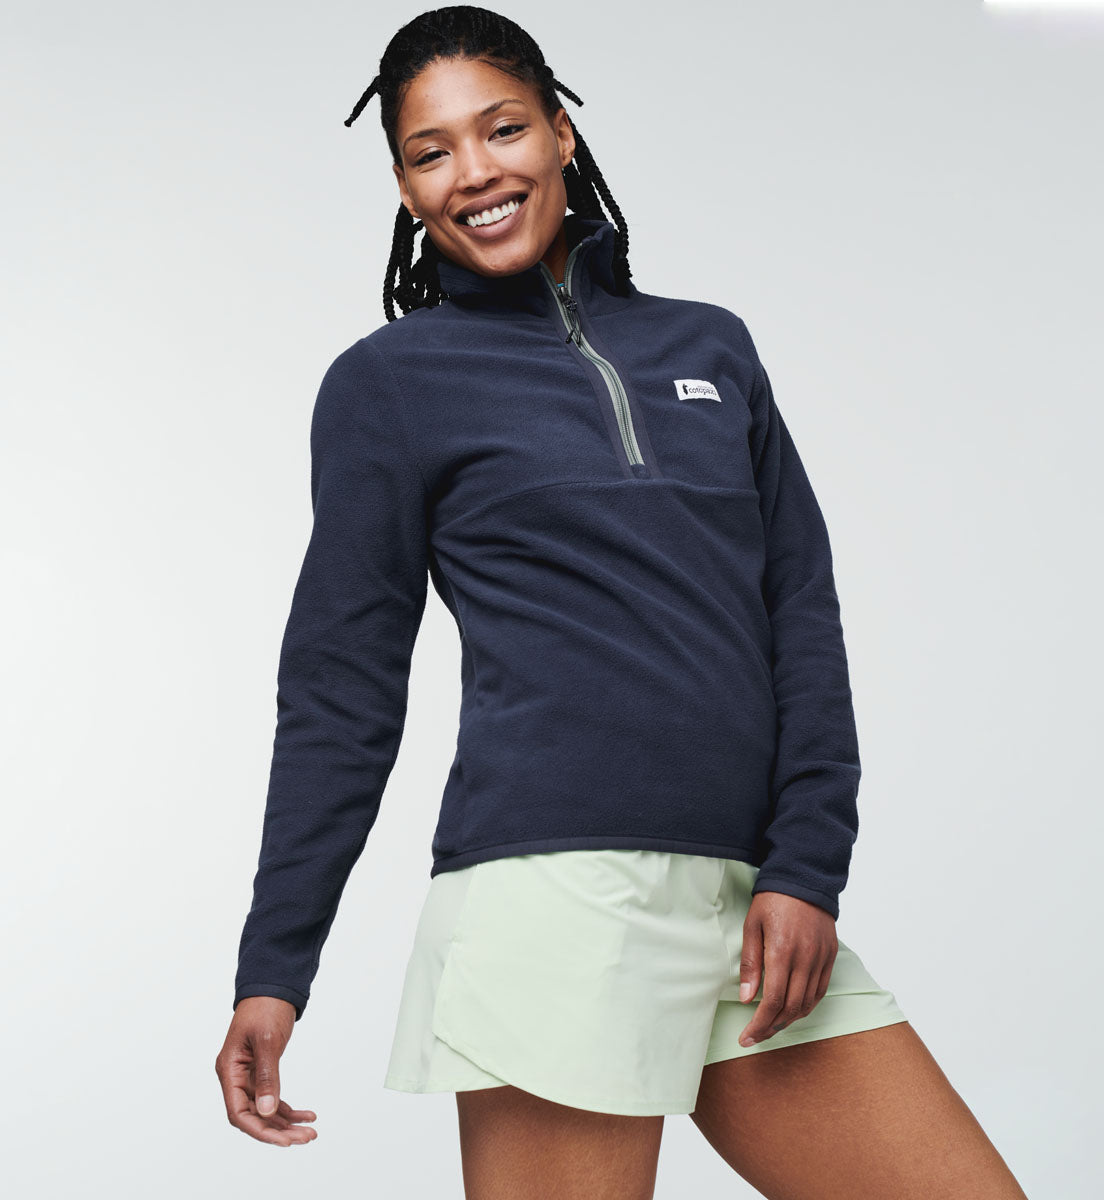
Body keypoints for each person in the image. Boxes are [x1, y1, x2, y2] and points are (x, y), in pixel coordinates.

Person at [216, 7, 1030, 1198]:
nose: (475, 171)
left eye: (503, 129)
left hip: (748, 905)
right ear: (404, 188)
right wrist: (274, 968)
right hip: (551, 906)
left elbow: (800, 616)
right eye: (432, 151)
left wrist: (807, 869)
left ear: (561, 133)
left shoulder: (713, 349)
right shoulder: (390, 385)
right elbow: (342, 689)